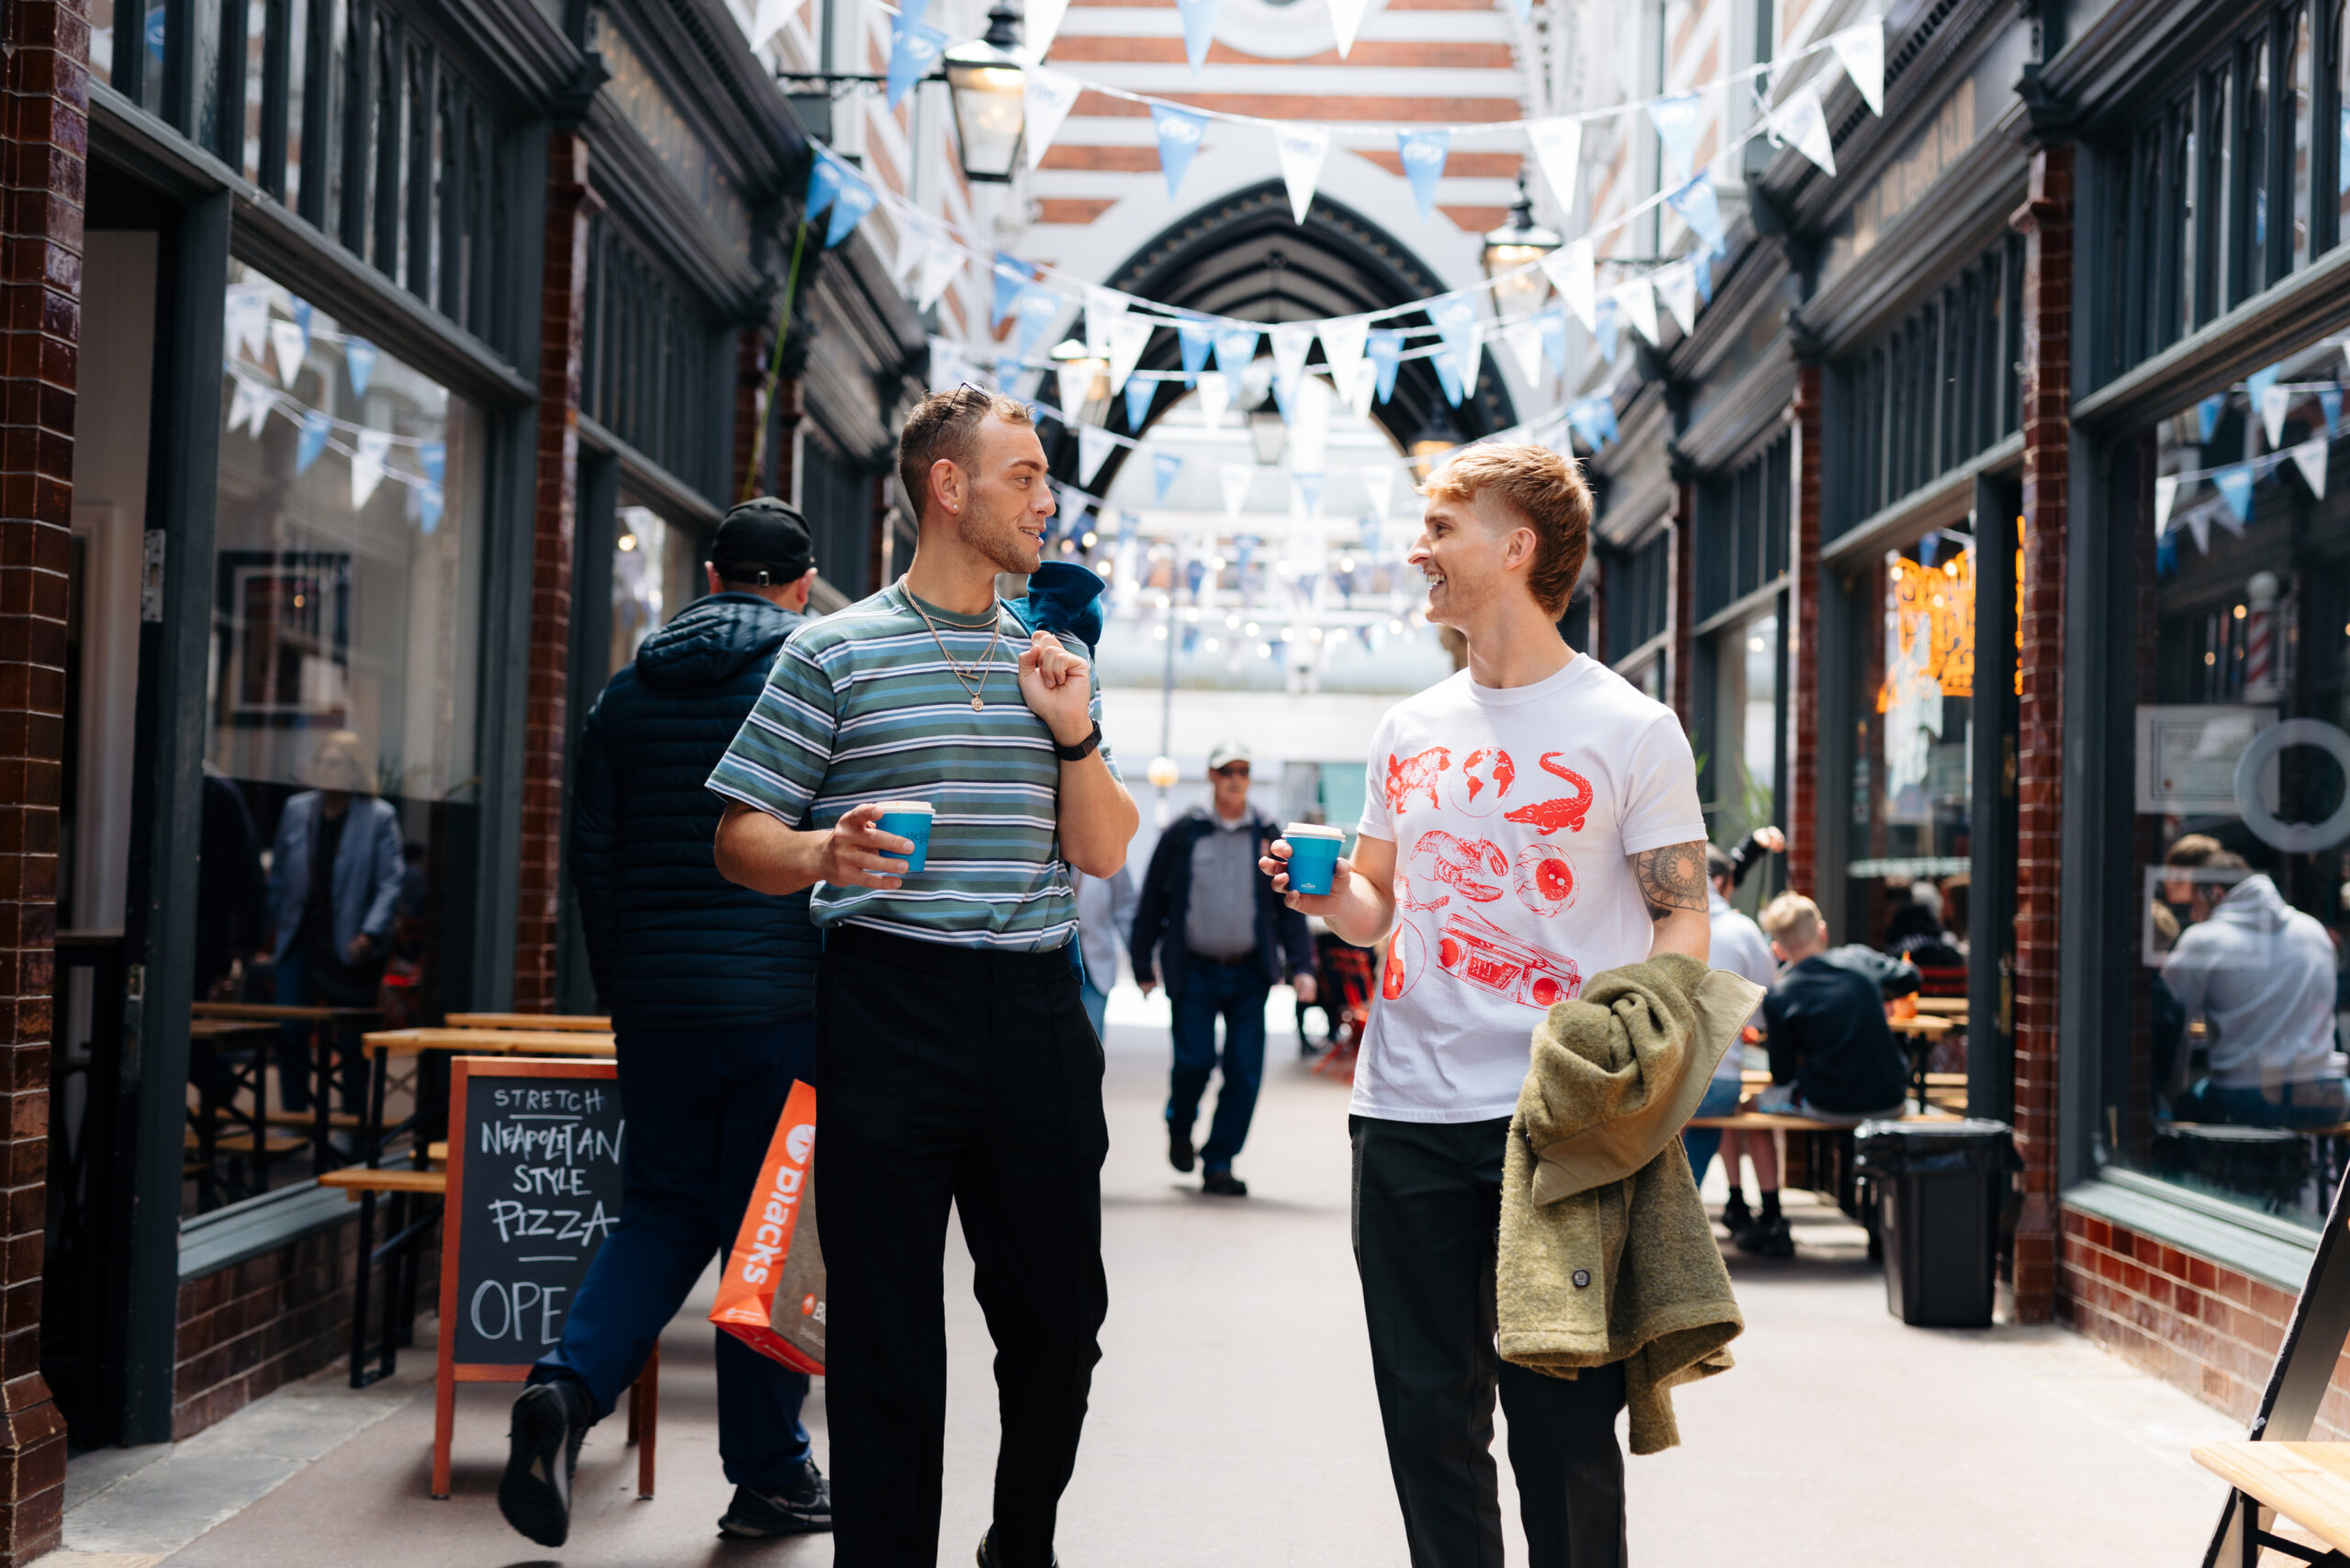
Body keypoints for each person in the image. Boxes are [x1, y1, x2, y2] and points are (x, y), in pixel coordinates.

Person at [708, 386, 1139, 1568]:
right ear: (948, 487)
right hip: (886, 1007)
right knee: (889, 1337)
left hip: (1035, 1011)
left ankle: (1020, 1546)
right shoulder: (830, 651)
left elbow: (1102, 850)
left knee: (1059, 1325)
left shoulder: (1057, 660)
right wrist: (822, 851)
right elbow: (740, 838)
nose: (1046, 502)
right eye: (1025, 477)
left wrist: (1075, 732)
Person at [1263, 443, 1710, 1568]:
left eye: (1440, 527)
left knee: (1561, 1430)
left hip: (1553, 1128)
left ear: (1515, 548)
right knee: (1427, 1423)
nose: (1418, 548)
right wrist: (1327, 895)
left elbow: (1683, 917)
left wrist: (1636, 1052)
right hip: (1404, 1111)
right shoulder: (1408, 727)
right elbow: (1375, 903)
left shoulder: (1631, 728)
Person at [497, 498, 833, 1548]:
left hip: (658, 1009)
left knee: (664, 1211)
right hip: (783, 1004)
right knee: (768, 1237)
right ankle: (770, 1475)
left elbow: (590, 861)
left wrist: (629, 987)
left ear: (711, 571)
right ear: (800, 583)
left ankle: (566, 1384)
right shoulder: (814, 675)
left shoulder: (625, 693)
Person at [1129, 741, 1316, 1197]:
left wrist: (1302, 966)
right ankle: (1180, 1124)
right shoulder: (1182, 833)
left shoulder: (1269, 834)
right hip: (1193, 971)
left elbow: (1288, 907)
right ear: (1212, 777)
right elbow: (1153, 901)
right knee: (1193, 1061)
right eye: (1226, 770)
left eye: (1243, 770)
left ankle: (1219, 1163)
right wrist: (1142, 964)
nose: (1235, 777)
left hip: (1250, 974)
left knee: (1244, 1069)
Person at [2161, 842, 2347, 1128]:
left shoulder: (2204, 939)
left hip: (2246, 1096)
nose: (2194, 916)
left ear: (2214, 893)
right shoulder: (2313, 931)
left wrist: (2164, 1096)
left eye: (2196, 906)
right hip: (2327, 1097)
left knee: (2182, 1108)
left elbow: (2169, 1024)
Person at [266, 731, 402, 1114]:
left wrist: (371, 933)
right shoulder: (297, 809)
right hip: (300, 937)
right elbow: (278, 876)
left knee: (349, 1040)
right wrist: (264, 935)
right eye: (323, 761)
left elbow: (390, 882)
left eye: (337, 762)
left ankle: (352, 1121)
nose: (327, 769)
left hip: (350, 942)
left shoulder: (378, 816)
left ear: (355, 770)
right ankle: (294, 1116)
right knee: (290, 1030)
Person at [1687, 841, 1780, 1244]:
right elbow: (1764, 1009)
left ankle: (1723, 1202)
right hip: (1718, 1083)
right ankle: (1695, 1207)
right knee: (1730, 1095)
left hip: (1657, 1075)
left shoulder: (1653, 919)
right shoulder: (1743, 929)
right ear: (1722, 881)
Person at [1071, 862, 1138, 1040]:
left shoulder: (1109, 855)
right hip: (1054, 961)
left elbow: (1125, 911)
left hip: (1096, 962)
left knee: (1090, 1038)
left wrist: (1141, 960)